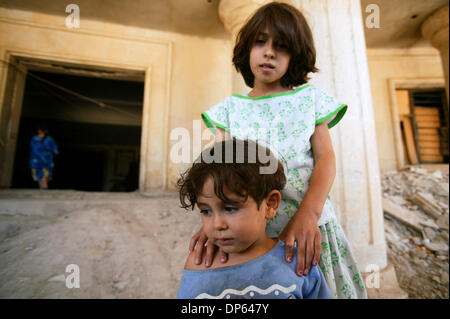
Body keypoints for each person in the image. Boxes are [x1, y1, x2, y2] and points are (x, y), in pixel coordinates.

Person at [191, 2, 367, 298]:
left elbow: (326, 159)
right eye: (260, 42)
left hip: (307, 229)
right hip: (253, 233)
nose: (269, 51)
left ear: (295, 56)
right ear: (247, 48)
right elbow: (217, 177)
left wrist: (309, 214)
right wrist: (212, 222)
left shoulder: (309, 100)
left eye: (281, 46)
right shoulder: (230, 111)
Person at [176, 139, 331, 299]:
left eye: (230, 208)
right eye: (206, 211)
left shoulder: (299, 265)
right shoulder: (199, 265)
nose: (217, 224)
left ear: (270, 204)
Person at [29, 125, 59, 189]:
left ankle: (44, 186)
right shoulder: (35, 139)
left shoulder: (49, 139)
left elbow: (54, 149)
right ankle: (43, 186)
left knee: (45, 173)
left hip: (46, 159)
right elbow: (35, 149)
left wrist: (53, 152)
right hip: (38, 159)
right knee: (40, 173)